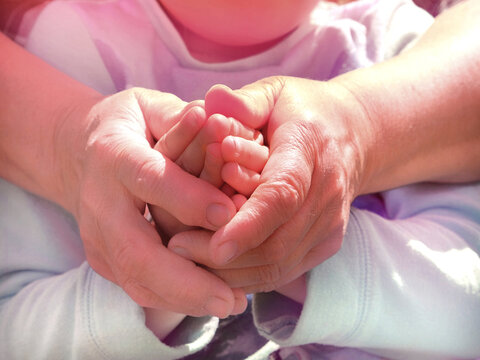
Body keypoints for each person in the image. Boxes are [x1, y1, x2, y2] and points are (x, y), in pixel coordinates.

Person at [0, 0, 479, 358]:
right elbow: (16, 332)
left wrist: (302, 244)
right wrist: (163, 277)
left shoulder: (398, 44)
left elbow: (468, 304)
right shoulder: (69, 43)